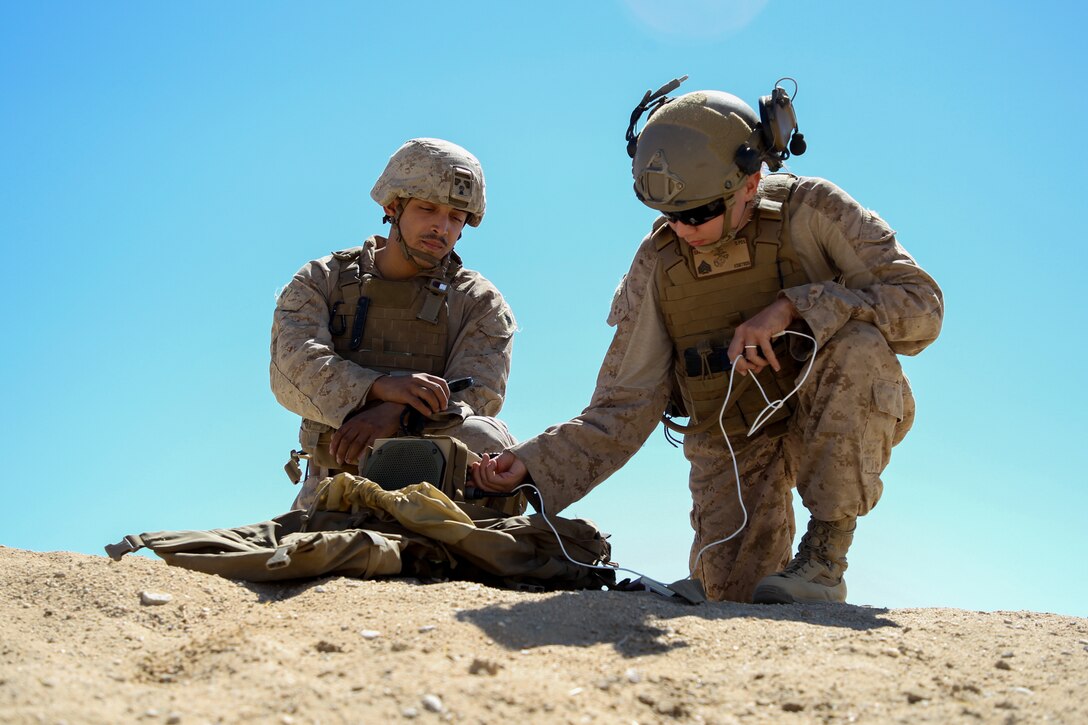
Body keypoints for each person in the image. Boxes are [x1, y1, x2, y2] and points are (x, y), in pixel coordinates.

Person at [472, 79, 943, 604]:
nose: (684, 228)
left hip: (832, 409)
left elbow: (920, 306)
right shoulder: (660, 262)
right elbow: (625, 402)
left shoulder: (813, 211)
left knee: (858, 346)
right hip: (732, 435)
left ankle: (826, 556)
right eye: (672, 216)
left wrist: (798, 306)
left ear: (750, 182)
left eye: (699, 214)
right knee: (733, 598)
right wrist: (534, 462)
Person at [271, 138, 519, 512]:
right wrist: (380, 389)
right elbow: (292, 369)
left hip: (436, 487)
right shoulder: (323, 280)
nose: (441, 226)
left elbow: (479, 393)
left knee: (488, 439)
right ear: (392, 206)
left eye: (455, 216)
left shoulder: (479, 301)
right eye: (427, 208)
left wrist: (397, 413)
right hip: (335, 483)